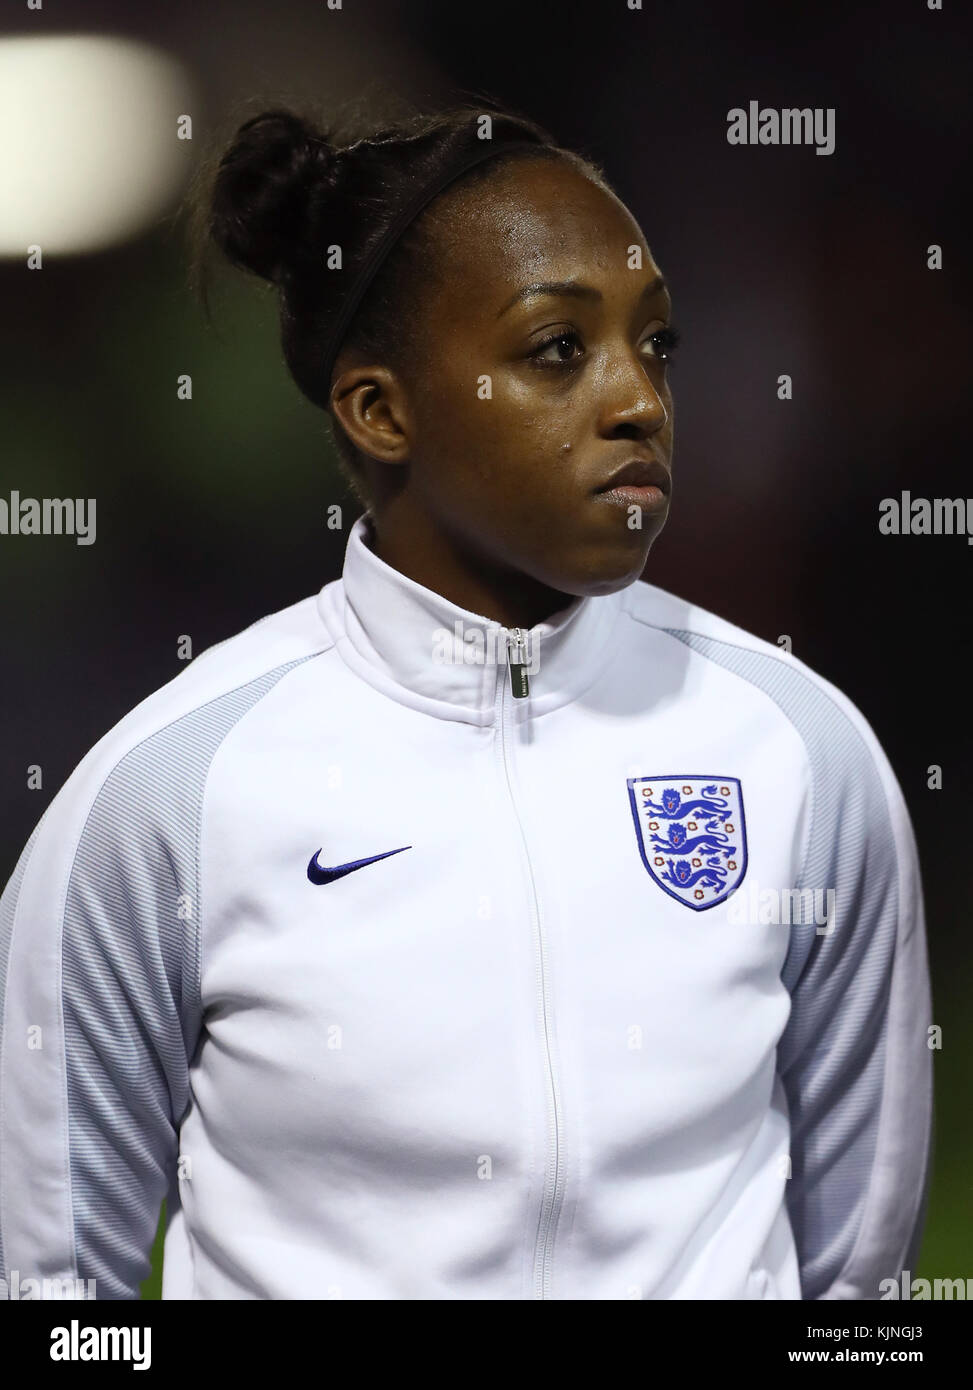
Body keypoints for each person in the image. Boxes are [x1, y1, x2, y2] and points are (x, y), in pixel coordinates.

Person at [0, 101, 933, 1301]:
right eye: (557, 349)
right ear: (379, 409)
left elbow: (862, 1289)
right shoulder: (169, 790)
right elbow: (50, 1297)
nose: (638, 399)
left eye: (656, 344)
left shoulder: (801, 749)